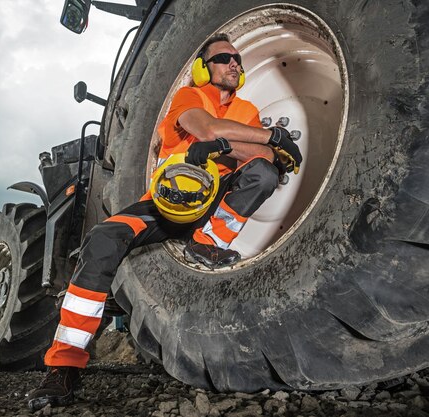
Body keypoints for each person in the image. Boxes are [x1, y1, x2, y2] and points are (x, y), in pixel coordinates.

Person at [27, 33, 302, 411]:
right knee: (104, 238)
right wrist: (269, 136)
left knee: (263, 175)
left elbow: (263, 159)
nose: (235, 63)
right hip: (165, 205)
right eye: (224, 57)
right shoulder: (189, 97)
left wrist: (234, 144)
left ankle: (209, 242)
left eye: (238, 59)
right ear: (204, 68)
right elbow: (205, 128)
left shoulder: (247, 111)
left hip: (211, 203)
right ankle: (64, 365)